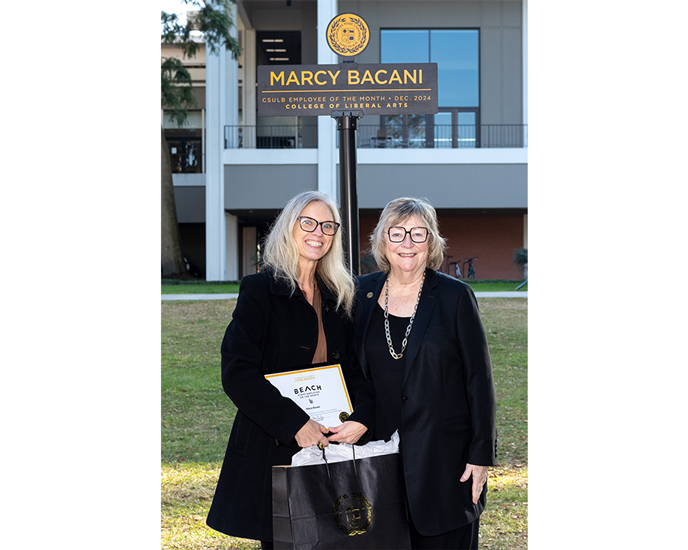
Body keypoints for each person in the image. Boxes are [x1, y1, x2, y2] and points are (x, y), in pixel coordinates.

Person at [206, 191, 374, 549]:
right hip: (276, 444)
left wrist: (364, 416)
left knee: (337, 539)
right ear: (290, 227)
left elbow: (354, 370)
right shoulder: (260, 290)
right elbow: (237, 371)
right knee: (283, 542)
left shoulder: (340, 294)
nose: (318, 232)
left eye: (328, 225)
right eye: (308, 222)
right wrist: (294, 424)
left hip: (333, 442)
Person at [353, 197, 497, 550]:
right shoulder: (359, 294)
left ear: (431, 242)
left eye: (418, 233)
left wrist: (481, 456)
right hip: (376, 462)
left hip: (445, 465)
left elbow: (479, 381)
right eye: (397, 232)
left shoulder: (455, 296)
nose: (407, 243)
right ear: (382, 240)